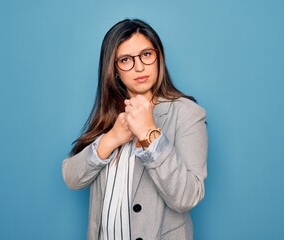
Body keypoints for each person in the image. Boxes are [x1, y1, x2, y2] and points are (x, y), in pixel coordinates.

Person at [62, 18, 208, 240]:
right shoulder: (109, 115)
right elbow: (71, 178)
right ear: (114, 68)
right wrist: (111, 138)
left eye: (146, 55)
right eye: (126, 59)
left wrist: (150, 134)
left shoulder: (187, 113)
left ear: (158, 56)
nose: (139, 67)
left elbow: (187, 197)